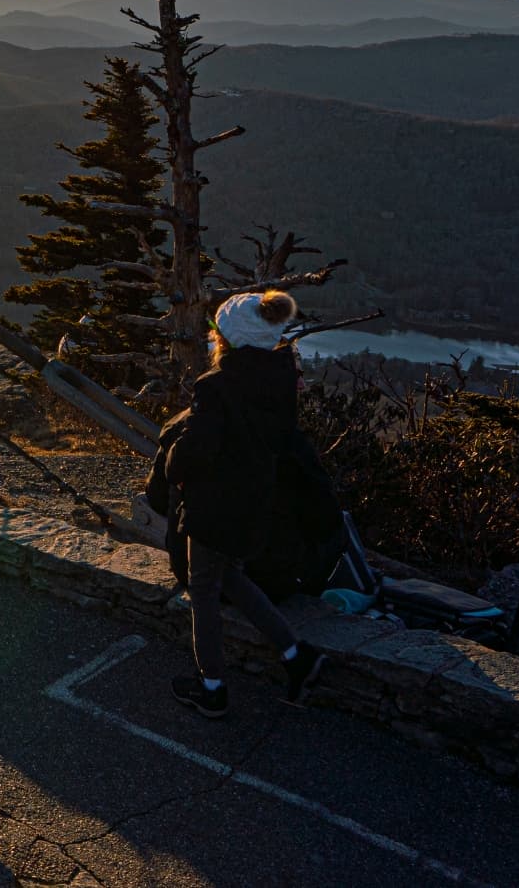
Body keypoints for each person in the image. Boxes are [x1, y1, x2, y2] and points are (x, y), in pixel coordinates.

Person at [166, 290, 326, 719]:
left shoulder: (216, 386)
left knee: (202, 590)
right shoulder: (281, 379)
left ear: (230, 338)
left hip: (214, 504)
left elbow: (197, 449)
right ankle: (296, 654)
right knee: (230, 576)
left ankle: (211, 687)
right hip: (255, 499)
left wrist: (172, 463)